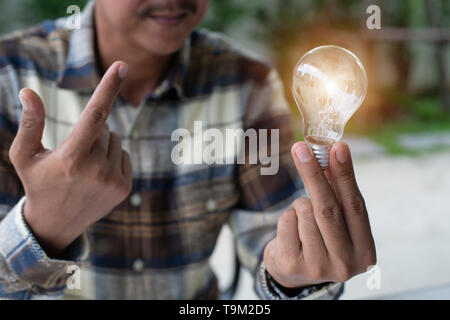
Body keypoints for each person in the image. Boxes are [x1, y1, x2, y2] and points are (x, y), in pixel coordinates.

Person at [0, 0, 376, 299]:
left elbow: (274, 244)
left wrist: (300, 274)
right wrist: (41, 232)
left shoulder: (247, 83)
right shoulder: (10, 75)